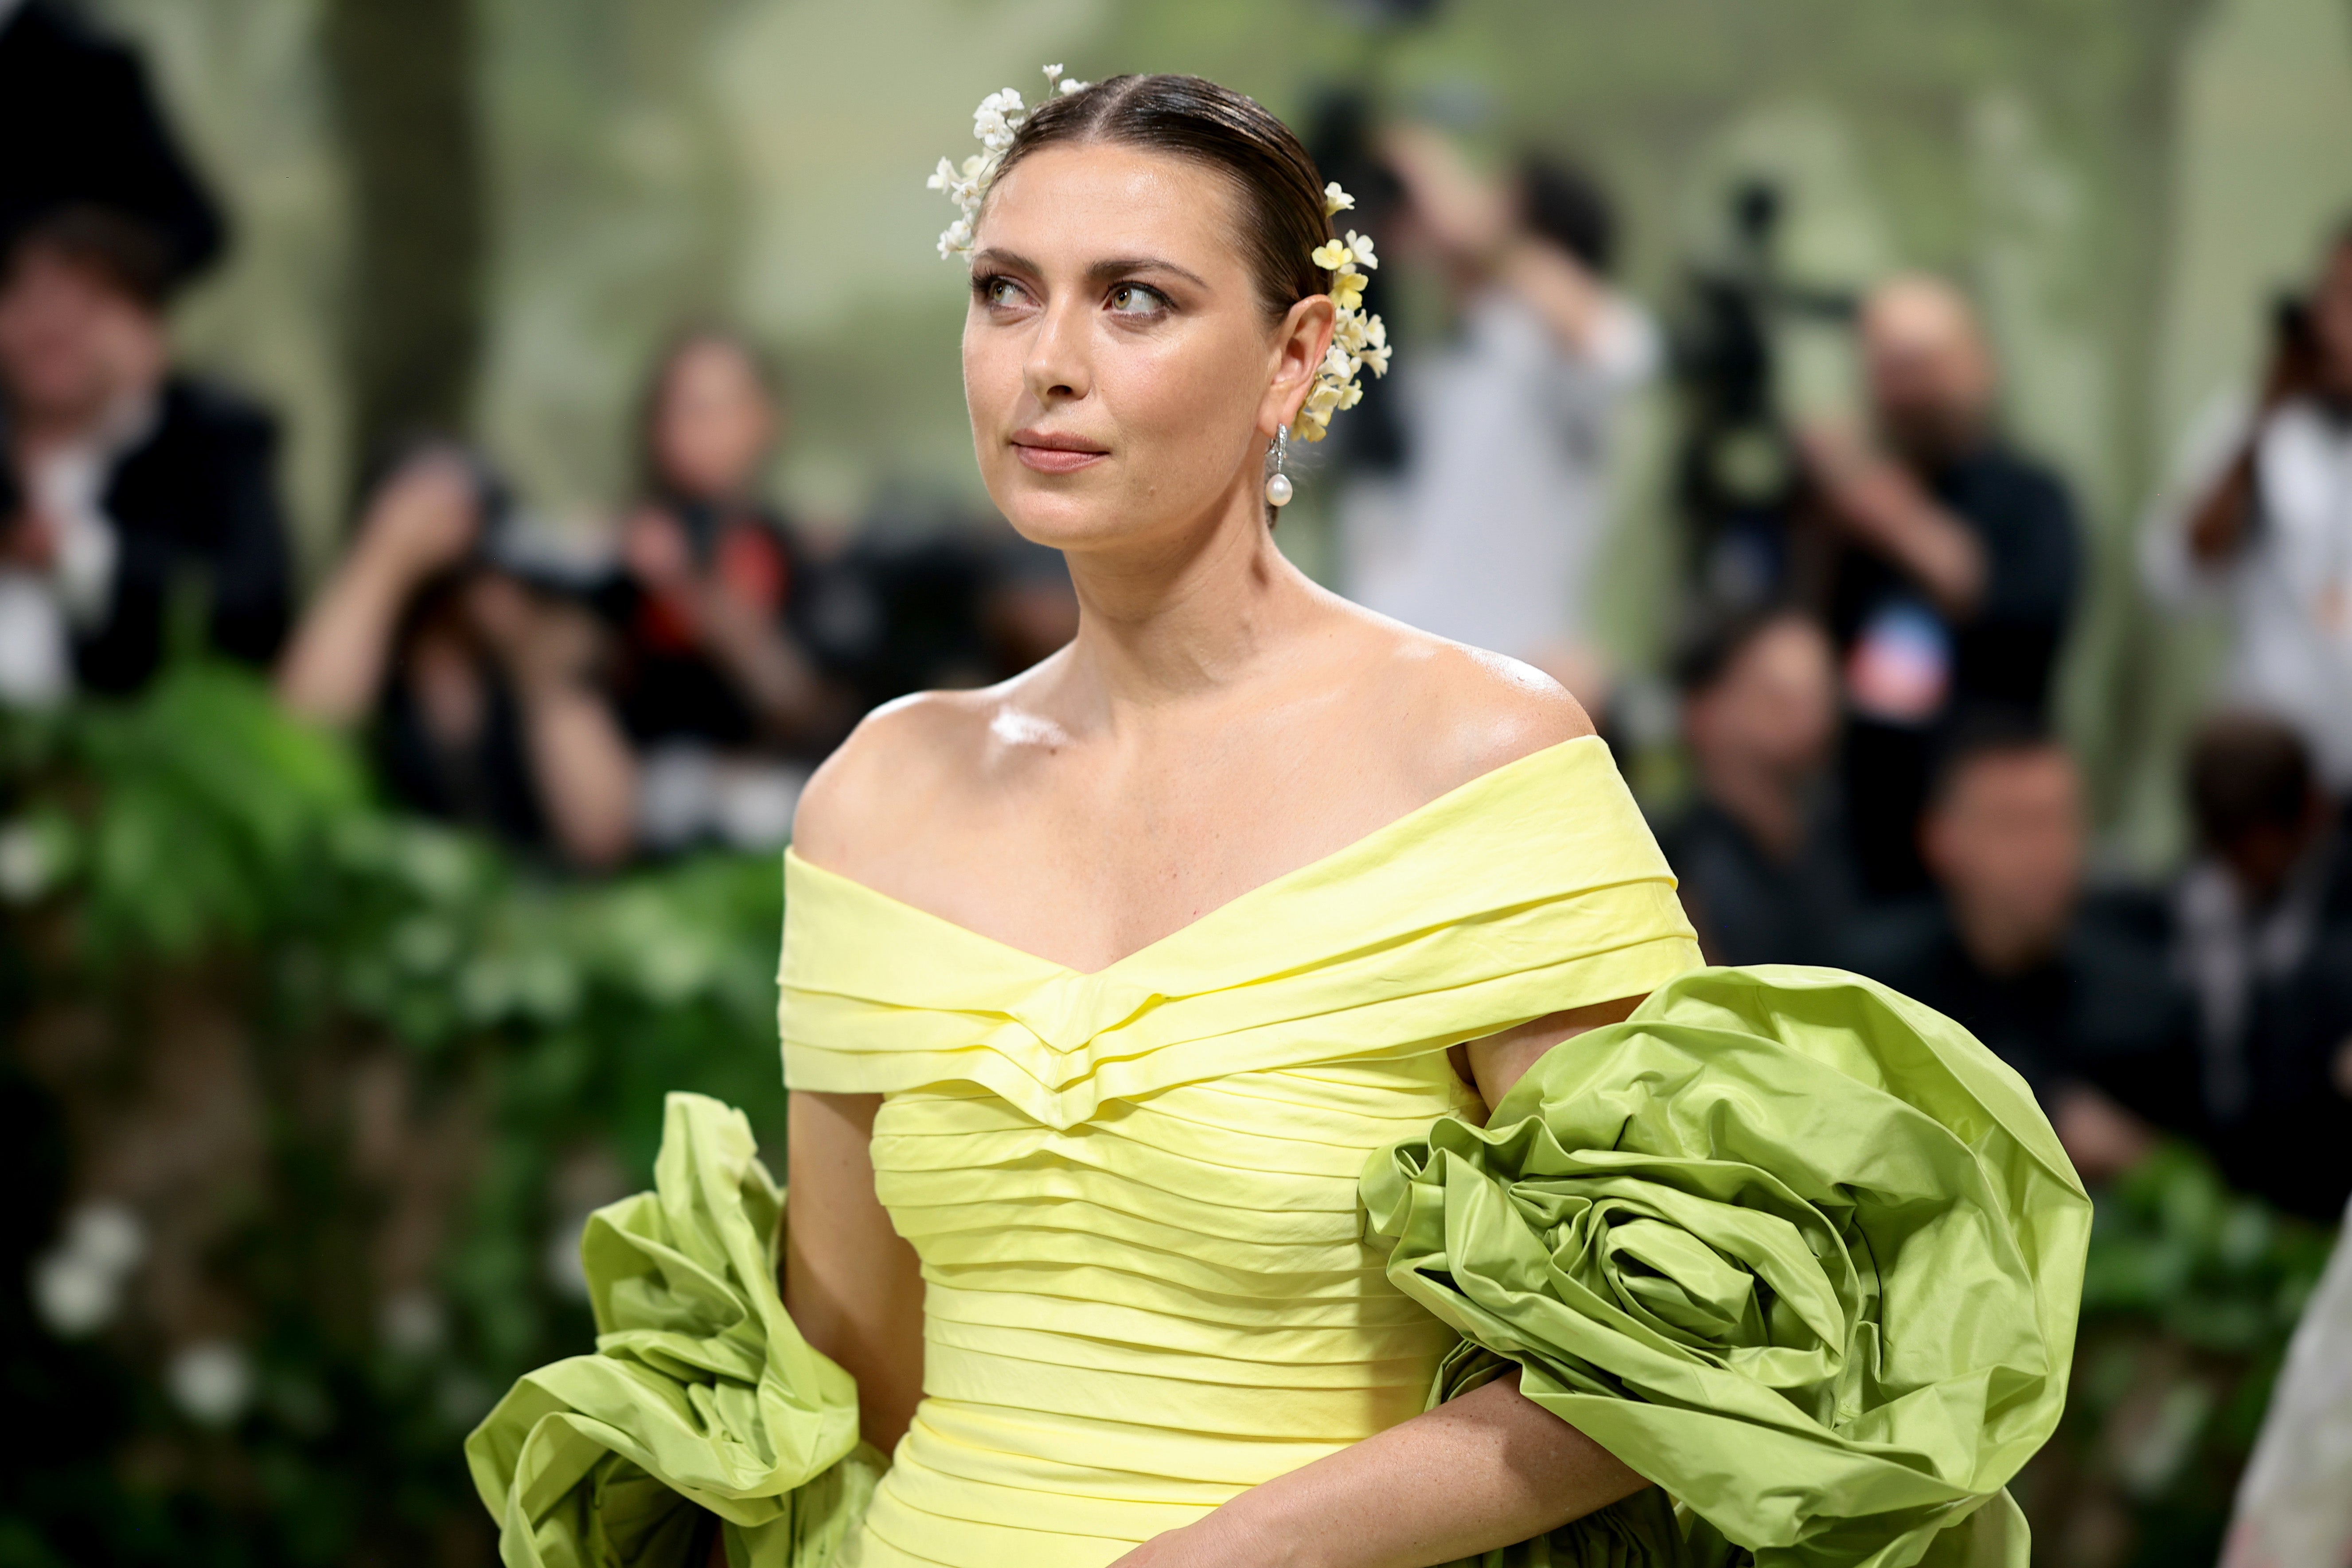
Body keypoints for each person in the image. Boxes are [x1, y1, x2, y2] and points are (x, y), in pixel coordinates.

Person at [468, 73, 2085, 1568]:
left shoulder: (1474, 755)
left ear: (1295, 357)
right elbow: (851, 1380)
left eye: (1136, 299)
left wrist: (1242, 1548)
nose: (1048, 358)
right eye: (1003, 289)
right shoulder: (876, 794)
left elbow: (1676, 1346)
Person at [1343, 129, 1657, 706]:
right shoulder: (1442, 365)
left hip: (1504, 690)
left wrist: (1472, 229)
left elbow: (1609, 345)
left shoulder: (1563, 349)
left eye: (1495, 204)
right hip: (1387, 680)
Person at [1801, 276, 2082, 897]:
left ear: (1976, 365)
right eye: (1886, 368)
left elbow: (2014, 606)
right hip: (1860, 827)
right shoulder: (1838, 512)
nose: (1905, 390)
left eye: (1920, 364)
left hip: (1988, 830)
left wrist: (1877, 501)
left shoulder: (2031, 497)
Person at [1853, 716, 2184, 1181]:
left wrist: (2140, 1160)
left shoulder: (2148, 1002)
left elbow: (2205, 1184)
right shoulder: (1873, 995)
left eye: (2057, 821)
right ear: (1940, 838)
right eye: (2012, 825)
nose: (2042, 852)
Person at [276, 450, 638, 870]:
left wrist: (544, 665)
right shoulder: (370, 657)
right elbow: (293, 744)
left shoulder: (518, 650)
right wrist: (384, 559)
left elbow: (604, 839)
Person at [0, 213, 291, 706]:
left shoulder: (207, 445)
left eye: (89, 304)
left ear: (148, 330)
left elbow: (252, 612)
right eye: (27, 297)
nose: (50, 322)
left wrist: (71, 556)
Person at [612, 330, 855, 850]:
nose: (701, 430)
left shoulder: (791, 549)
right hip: (653, 786)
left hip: (770, 786)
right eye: (684, 410)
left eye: (722, 409)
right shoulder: (622, 549)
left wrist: (700, 597)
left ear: (766, 418)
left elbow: (808, 709)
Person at [2141, 221, 2352, 795]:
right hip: (2269, 782)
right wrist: (2265, 415)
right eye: (2327, 297)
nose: (2332, 324)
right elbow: (2174, 576)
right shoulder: (2256, 425)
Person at [2173, 712, 2352, 1219]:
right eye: (2227, 855)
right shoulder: (2190, 901)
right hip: (2222, 1171)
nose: (2243, 875)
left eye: (2256, 853)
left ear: (2312, 814)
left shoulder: (2337, 908)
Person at [1654, 605, 1857, 965]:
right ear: (1703, 710)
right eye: (1777, 694)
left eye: (1821, 691)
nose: (1809, 713)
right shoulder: (1667, 865)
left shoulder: (1856, 837)